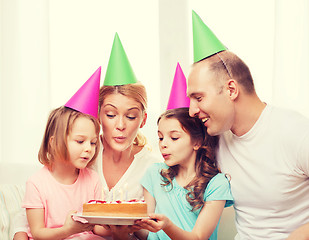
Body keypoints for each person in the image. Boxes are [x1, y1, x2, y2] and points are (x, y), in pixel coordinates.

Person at [187, 10, 309, 240]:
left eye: (199, 98)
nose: (193, 110)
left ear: (231, 90)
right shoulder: (215, 137)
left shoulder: (295, 132)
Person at [21, 67, 107, 239]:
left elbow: (98, 229)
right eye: (80, 141)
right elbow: (38, 233)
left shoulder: (93, 180)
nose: (89, 148)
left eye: (93, 142)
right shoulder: (36, 184)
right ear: (53, 143)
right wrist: (69, 230)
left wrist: (121, 227)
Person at [91, 33, 162, 239]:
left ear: (143, 119)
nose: (120, 125)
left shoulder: (153, 167)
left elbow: (155, 234)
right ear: (98, 115)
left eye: (130, 116)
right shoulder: (85, 155)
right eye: (111, 115)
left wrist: (131, 230)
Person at [135, 107, 233, 240]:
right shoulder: (154, 173)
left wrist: (167, 225)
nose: (163, 144)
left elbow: (198, 237)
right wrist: (128, 227)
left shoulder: (216, 183)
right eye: (160, 137)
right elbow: (147, 233)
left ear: (197, 142)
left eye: (174, 138)